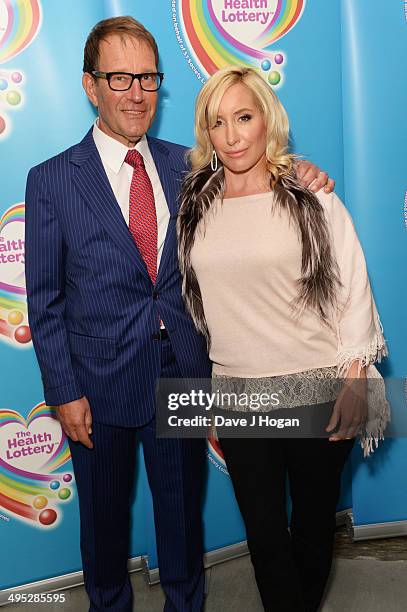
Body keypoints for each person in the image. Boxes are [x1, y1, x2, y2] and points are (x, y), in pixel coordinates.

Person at [25, 16, 334, 612]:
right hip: (99, 382)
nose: (137, 93)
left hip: (184, 373)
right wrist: (64, 391)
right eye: (120, 78)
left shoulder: (188, 164)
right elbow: (44, 301)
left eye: (148, 78)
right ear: (91, 86)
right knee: (105, 527)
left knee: (181, 520)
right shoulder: (52, 181)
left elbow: (255, 174)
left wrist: (298, 170)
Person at [177, 66, 389, 612]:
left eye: (243, 117)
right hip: (240, 395)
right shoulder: (196, 203)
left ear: (265, 119)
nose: (232, 135)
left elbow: (353, 289)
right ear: (207, 132)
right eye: (218, 122)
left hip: (319, 390)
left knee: (312, 531)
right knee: (266, 538)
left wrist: (355, 384)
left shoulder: (309, 197)